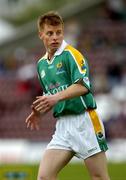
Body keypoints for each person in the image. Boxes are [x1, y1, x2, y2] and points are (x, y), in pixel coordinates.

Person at [25, 11, 110, 180]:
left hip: (84, 122)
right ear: (41, 35)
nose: (55, 37)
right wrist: (38, 112)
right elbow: (50, 96)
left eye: (59, 32)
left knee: (99, 177)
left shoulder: (71, 54)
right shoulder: (41, 64)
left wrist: (54, 98)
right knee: (44, 176)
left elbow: (83, 86)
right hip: (63, 126)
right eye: (50, 33)